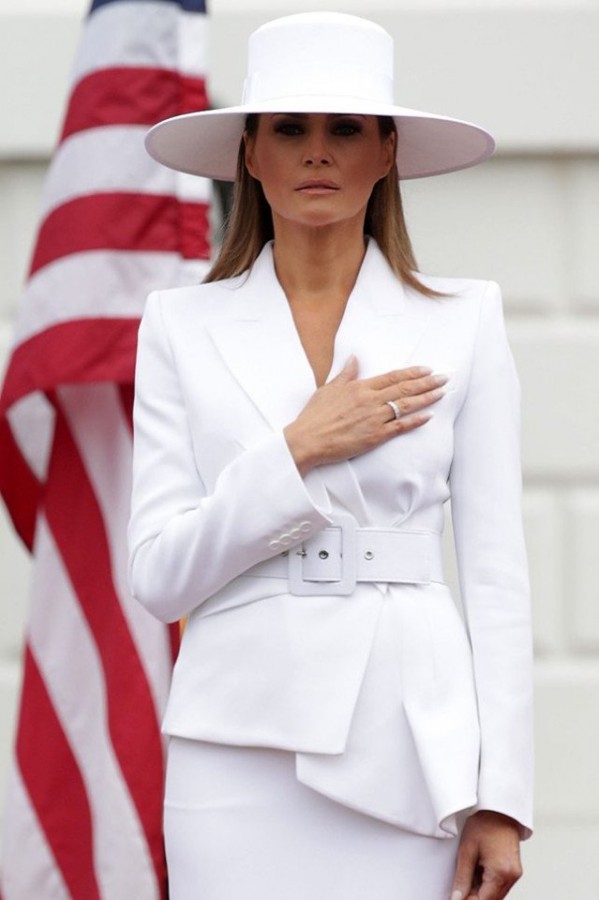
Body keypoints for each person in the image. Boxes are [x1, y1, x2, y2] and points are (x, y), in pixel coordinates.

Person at [128, 11, 533, 900]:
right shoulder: (178, 324)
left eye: (345, 128)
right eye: (289, 129)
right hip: (233, 745)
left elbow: (497, 578)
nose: (316, 152)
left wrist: (502, 796)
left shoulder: (463, 318)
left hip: (406, 742)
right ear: (249, 154)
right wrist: (295, 450)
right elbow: (157, 576)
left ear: (386, 152)